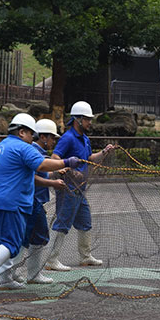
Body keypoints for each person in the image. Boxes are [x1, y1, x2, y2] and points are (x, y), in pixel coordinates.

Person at [0, 113, 80, 293]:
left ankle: (6, 279)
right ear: (22, 132)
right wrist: (67, 161)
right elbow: (42, 166)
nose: (33, 140)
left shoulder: (0, 146)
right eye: (32, 135)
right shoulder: (22, 147)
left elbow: (32, 173)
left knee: (5, 244)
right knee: (12, 244)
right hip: (10, 203)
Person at [46, 101, 115, 271]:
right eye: (87, 119)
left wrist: (104, 152)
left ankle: (85, 257)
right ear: (77, 119)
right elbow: (55, 158)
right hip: (67, 189)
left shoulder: (84, 138)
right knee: (62, 223)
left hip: (80, 189)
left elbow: (89, 158)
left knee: (85, 222)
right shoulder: (68, 138)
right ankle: (51, 260)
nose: (90, 122)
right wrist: (67, 170)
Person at [22, 119, 66, 284]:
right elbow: (32, 177)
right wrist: (52, 182)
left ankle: (24, 274)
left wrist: (55, 173)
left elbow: (43, 173)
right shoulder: (33, 152)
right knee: (33, 236)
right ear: (43, 136)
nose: (53, 141)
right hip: (30, 200)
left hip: (34, 200)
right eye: (52, 138)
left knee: (32, 237)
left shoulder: (37, 152)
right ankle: (28, 275)